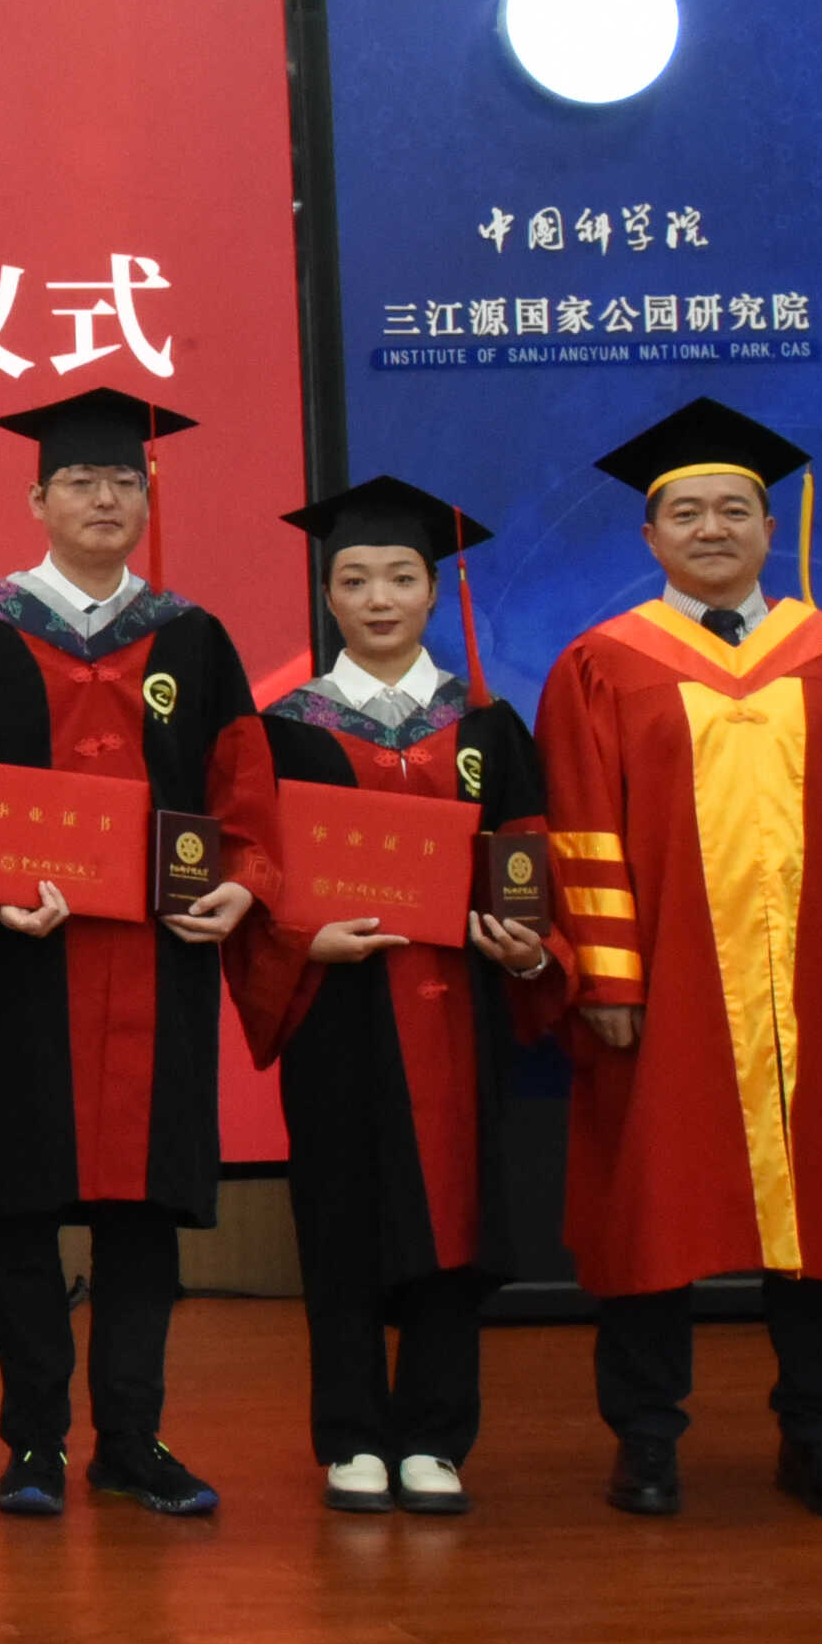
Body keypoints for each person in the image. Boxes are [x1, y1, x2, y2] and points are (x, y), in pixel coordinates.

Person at [535, 398, 822, 1522]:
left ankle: (819, 1437)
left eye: (734, 509)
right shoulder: (603, 663)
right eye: (686, 512)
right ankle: (645, 1441)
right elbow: (580, 832)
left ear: (771, 529)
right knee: (652, 1214)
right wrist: (608, 980)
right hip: (669, 988)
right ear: (649, 535)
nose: (712, 529)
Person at [0, 389, 271, 1522]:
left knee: (141, 1216)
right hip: (27, 961)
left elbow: (242, 790)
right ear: (37, 499)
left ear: (145, 497)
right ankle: (32, 1443)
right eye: (79, 481)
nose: (103, 498)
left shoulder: (194, 637)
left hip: (158, 963)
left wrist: (243, 882)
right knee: (24, 1213)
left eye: (122, 481)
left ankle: (131, 1439)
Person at [226, 477, 569, 1517]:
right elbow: (256, 868)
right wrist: (304, 939)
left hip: (455, 1005)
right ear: (328, 595)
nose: (378, 598)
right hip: (339, 1005)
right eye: (354, 579)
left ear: (433, 590)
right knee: (339, 1214)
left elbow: (528, 860)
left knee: (453, 1216)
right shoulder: (283, 729)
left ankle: (434, 1436)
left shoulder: (488, 728)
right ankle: (350, 1437)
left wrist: (527, 947)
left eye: (400, 578)